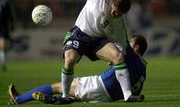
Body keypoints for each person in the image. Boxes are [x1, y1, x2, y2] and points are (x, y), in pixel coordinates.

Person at [59, 0, 137, 104]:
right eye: (115, 11)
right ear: (112, 3)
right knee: (69, 61)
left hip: (97, 40)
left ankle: (128, 95)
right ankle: (64, 96)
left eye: (119, 13)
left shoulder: (119, 23)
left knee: (118, 57)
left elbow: (120, 43)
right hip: (80, 33)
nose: (115, 14)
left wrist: (114, 59)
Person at [8, 35, 148, 105]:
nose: (127, 44)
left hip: (98, 85)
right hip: (108, 98)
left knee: (58, 86)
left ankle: (19, 99)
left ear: (136, 48)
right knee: (73, 93)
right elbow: (135, 91)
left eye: (131, 42)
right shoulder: (143, 68)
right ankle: (60, 99)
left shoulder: (130, 55)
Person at [0, 0, 15, 71]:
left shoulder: (5, 3)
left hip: (3, 28)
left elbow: (10, 15)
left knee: (2, 47)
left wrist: (12, 25)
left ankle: (3, 64)